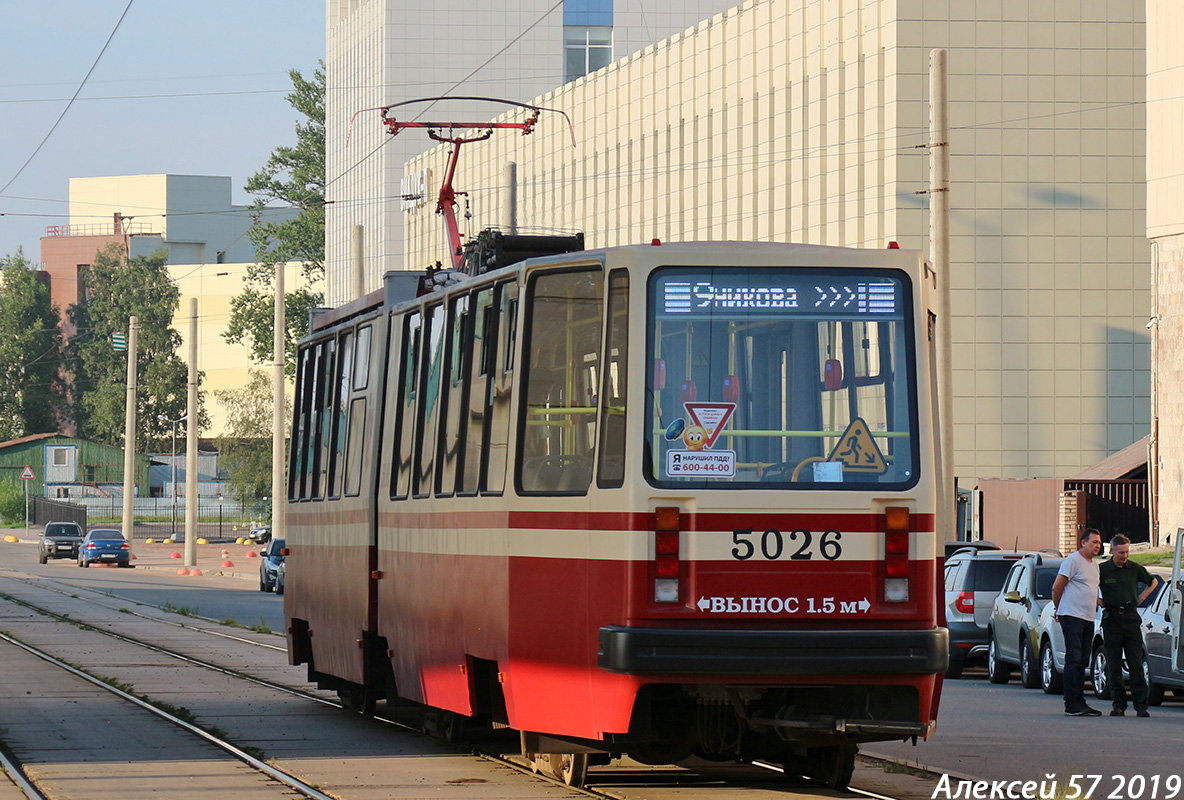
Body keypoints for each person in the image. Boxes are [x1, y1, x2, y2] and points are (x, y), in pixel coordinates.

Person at [1099, 533, 1160, 717]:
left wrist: (1141, 598)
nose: (1124, 556)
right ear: (1111, 551)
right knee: (1114, 664)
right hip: (1112, 619)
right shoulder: (1103, 570)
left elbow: (1154, 581)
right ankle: (1118, 704)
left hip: (1131, 619)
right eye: (1120, 553)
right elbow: (1088, 586)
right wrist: (1098, 601)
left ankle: (1141, 705)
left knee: (1136, 663)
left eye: (1126, 552)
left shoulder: (1134, 568)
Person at [1051, 528, 1103, 716]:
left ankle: (1080, 701)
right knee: (1073, 659)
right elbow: (1057, 588)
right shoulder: (1073, 561)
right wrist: (1058, 609)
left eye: (1099, 543)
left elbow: (1090, 591)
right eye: (1094, 542)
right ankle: (1071, 703)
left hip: (1088, 618)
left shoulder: (1094, 566)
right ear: (1083, 542)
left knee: (1082, 660)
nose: (1097, 546)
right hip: (1071, 616)